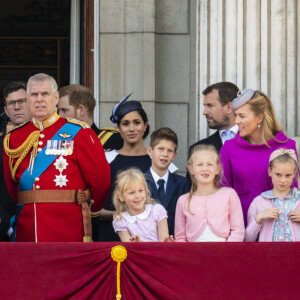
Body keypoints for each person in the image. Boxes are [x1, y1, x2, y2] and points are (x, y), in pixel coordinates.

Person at [2, 73, 111, 242]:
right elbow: (12, 188)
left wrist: (90, 211)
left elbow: (100, 182)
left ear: (56, 97)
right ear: (28, 100)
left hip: (68, 228)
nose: (39, 99)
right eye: (34, 95)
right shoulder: (14, 138)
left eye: (45, 94)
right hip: (28, 229)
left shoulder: (80, 133)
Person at [93, 94, 178, 241]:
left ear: (145, 125)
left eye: (137, 122)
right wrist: (120, 215)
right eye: (125, 123)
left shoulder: (159, 160)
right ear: (118, 128)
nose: (132, 128)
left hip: (150, 242)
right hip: (110, 235)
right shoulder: (105, 159)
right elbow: (93, 205)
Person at [220, 89, 298, 225]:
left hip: (279, 226)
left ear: (260, 117)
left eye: (242, 116)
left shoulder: (287, 146)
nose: (236, 121)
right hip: (242, 226)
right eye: (236, 116)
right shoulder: (229, 148)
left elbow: (294, 192)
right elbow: (222, 194)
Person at [175, 144, 244, 242]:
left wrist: (227, 252)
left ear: (217, 169)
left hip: (224, 254)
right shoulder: (183, 201)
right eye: (200, 164)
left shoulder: (229, 194)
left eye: (209, 164)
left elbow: (238, 231)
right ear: (191, 169)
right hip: (193, 255)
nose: (205, 169)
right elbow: (180, 238)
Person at [245, 149, 300, 241]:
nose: (283, 180)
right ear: (270, 171)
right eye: (278, 174)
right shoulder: (258, 202)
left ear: (294, 173)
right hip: (268, 254)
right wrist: (258, 218)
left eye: (288, 175)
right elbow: (248, 239)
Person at [0, 81, 32, 241]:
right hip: (6, 230)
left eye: (21, 101)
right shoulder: (2, 145)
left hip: (40, 224)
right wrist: (7, 226)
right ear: (6, 110)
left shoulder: (48, 141)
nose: (17, 107)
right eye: (11, 103)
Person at [145, 127, 190, 236]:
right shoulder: (138, 182)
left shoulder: (183, 183)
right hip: (147, 242)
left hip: (176, 242)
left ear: (174, 155)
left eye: (170, 151)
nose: (165, 154)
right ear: (150, 150)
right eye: (160, 148)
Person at [112, 168, 174, 242]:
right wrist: (137, 244)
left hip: (159, 253)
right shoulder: (121, 220)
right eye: (131, 193)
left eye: (140, 190)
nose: (138, 196)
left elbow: (163, 240)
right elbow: (128, 245)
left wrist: (167, 242)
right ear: (120, 196)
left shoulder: (157, 210)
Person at [58, 84, 123, 151]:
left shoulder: (114, 140)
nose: (59, 116)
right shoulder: (59, 141)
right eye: (59, 110)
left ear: (81, 110)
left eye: (64, 110)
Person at [189, 82, 239, 155]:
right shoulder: (197, 150)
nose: (204, 112)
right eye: (205, 106)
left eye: (210, 106)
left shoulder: (257, 142)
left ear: (229, 107)